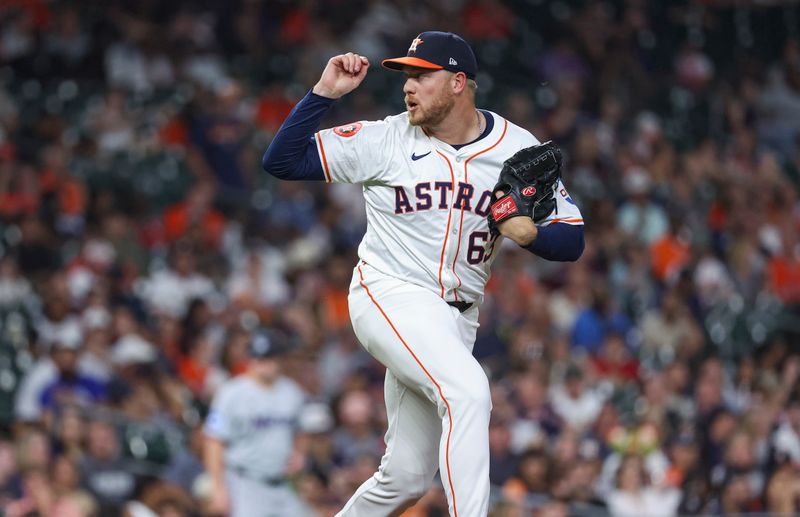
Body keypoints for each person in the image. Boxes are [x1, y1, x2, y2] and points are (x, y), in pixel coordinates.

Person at [263, 31, 584, 516]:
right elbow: (282, 161)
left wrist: (530, 234)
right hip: (389, 294)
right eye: (405, 77)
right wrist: (323, 94)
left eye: (421, 76)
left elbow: (573, 239)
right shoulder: (386, 138)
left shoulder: (517, 149)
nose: (408, 87)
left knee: (408, 476)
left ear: (459, 83)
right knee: (469, 393)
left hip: (457, 320)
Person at [203, 331, 309, 517]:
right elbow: (213, 440)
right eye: (260, 358)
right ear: (250, 359)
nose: (265, 363)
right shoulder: (230, 394)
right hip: (245, 482)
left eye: (270, 357)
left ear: (279, 359)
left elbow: (300, 430)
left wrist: (299, 453)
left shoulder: (292, 392)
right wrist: (218, 488)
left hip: (282, 484)